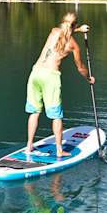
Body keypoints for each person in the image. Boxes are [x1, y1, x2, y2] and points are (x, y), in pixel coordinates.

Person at [24, 12, 94, 157]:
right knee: (56, 116)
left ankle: (29, 146)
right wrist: (89, 78)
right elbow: (80, 67)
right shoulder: (73, 45)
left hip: (35, 72)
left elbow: (64, 30)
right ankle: (59, 150)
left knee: (34, 112)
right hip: (50, 77)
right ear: (74, 25)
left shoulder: (54, 31)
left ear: (63, 22)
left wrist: (78, 29)